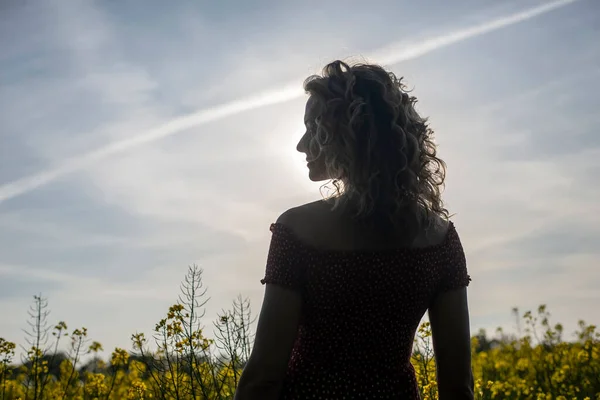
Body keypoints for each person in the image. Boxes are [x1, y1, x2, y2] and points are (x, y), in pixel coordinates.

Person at [234, 60, 474, 400]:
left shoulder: (297, 230)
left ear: (343, 135)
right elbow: (458, 387)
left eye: (311, 128)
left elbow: (262, 379)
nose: (301, 145)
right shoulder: (440, 239)